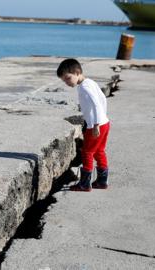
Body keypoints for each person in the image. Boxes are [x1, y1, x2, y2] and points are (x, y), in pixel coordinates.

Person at [57, 58, 110, 191]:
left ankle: (85, 184)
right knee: (99, 151)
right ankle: (102, 181)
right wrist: (103, 117)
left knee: (87, 152)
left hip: (95, 126)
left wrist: (96, 124)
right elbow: (103, 98)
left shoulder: (85, 87)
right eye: (64, 80)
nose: (67, 82)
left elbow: (96, 103)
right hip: (104, 122)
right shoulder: (89, 82)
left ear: (77, 72)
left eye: (68, 78)